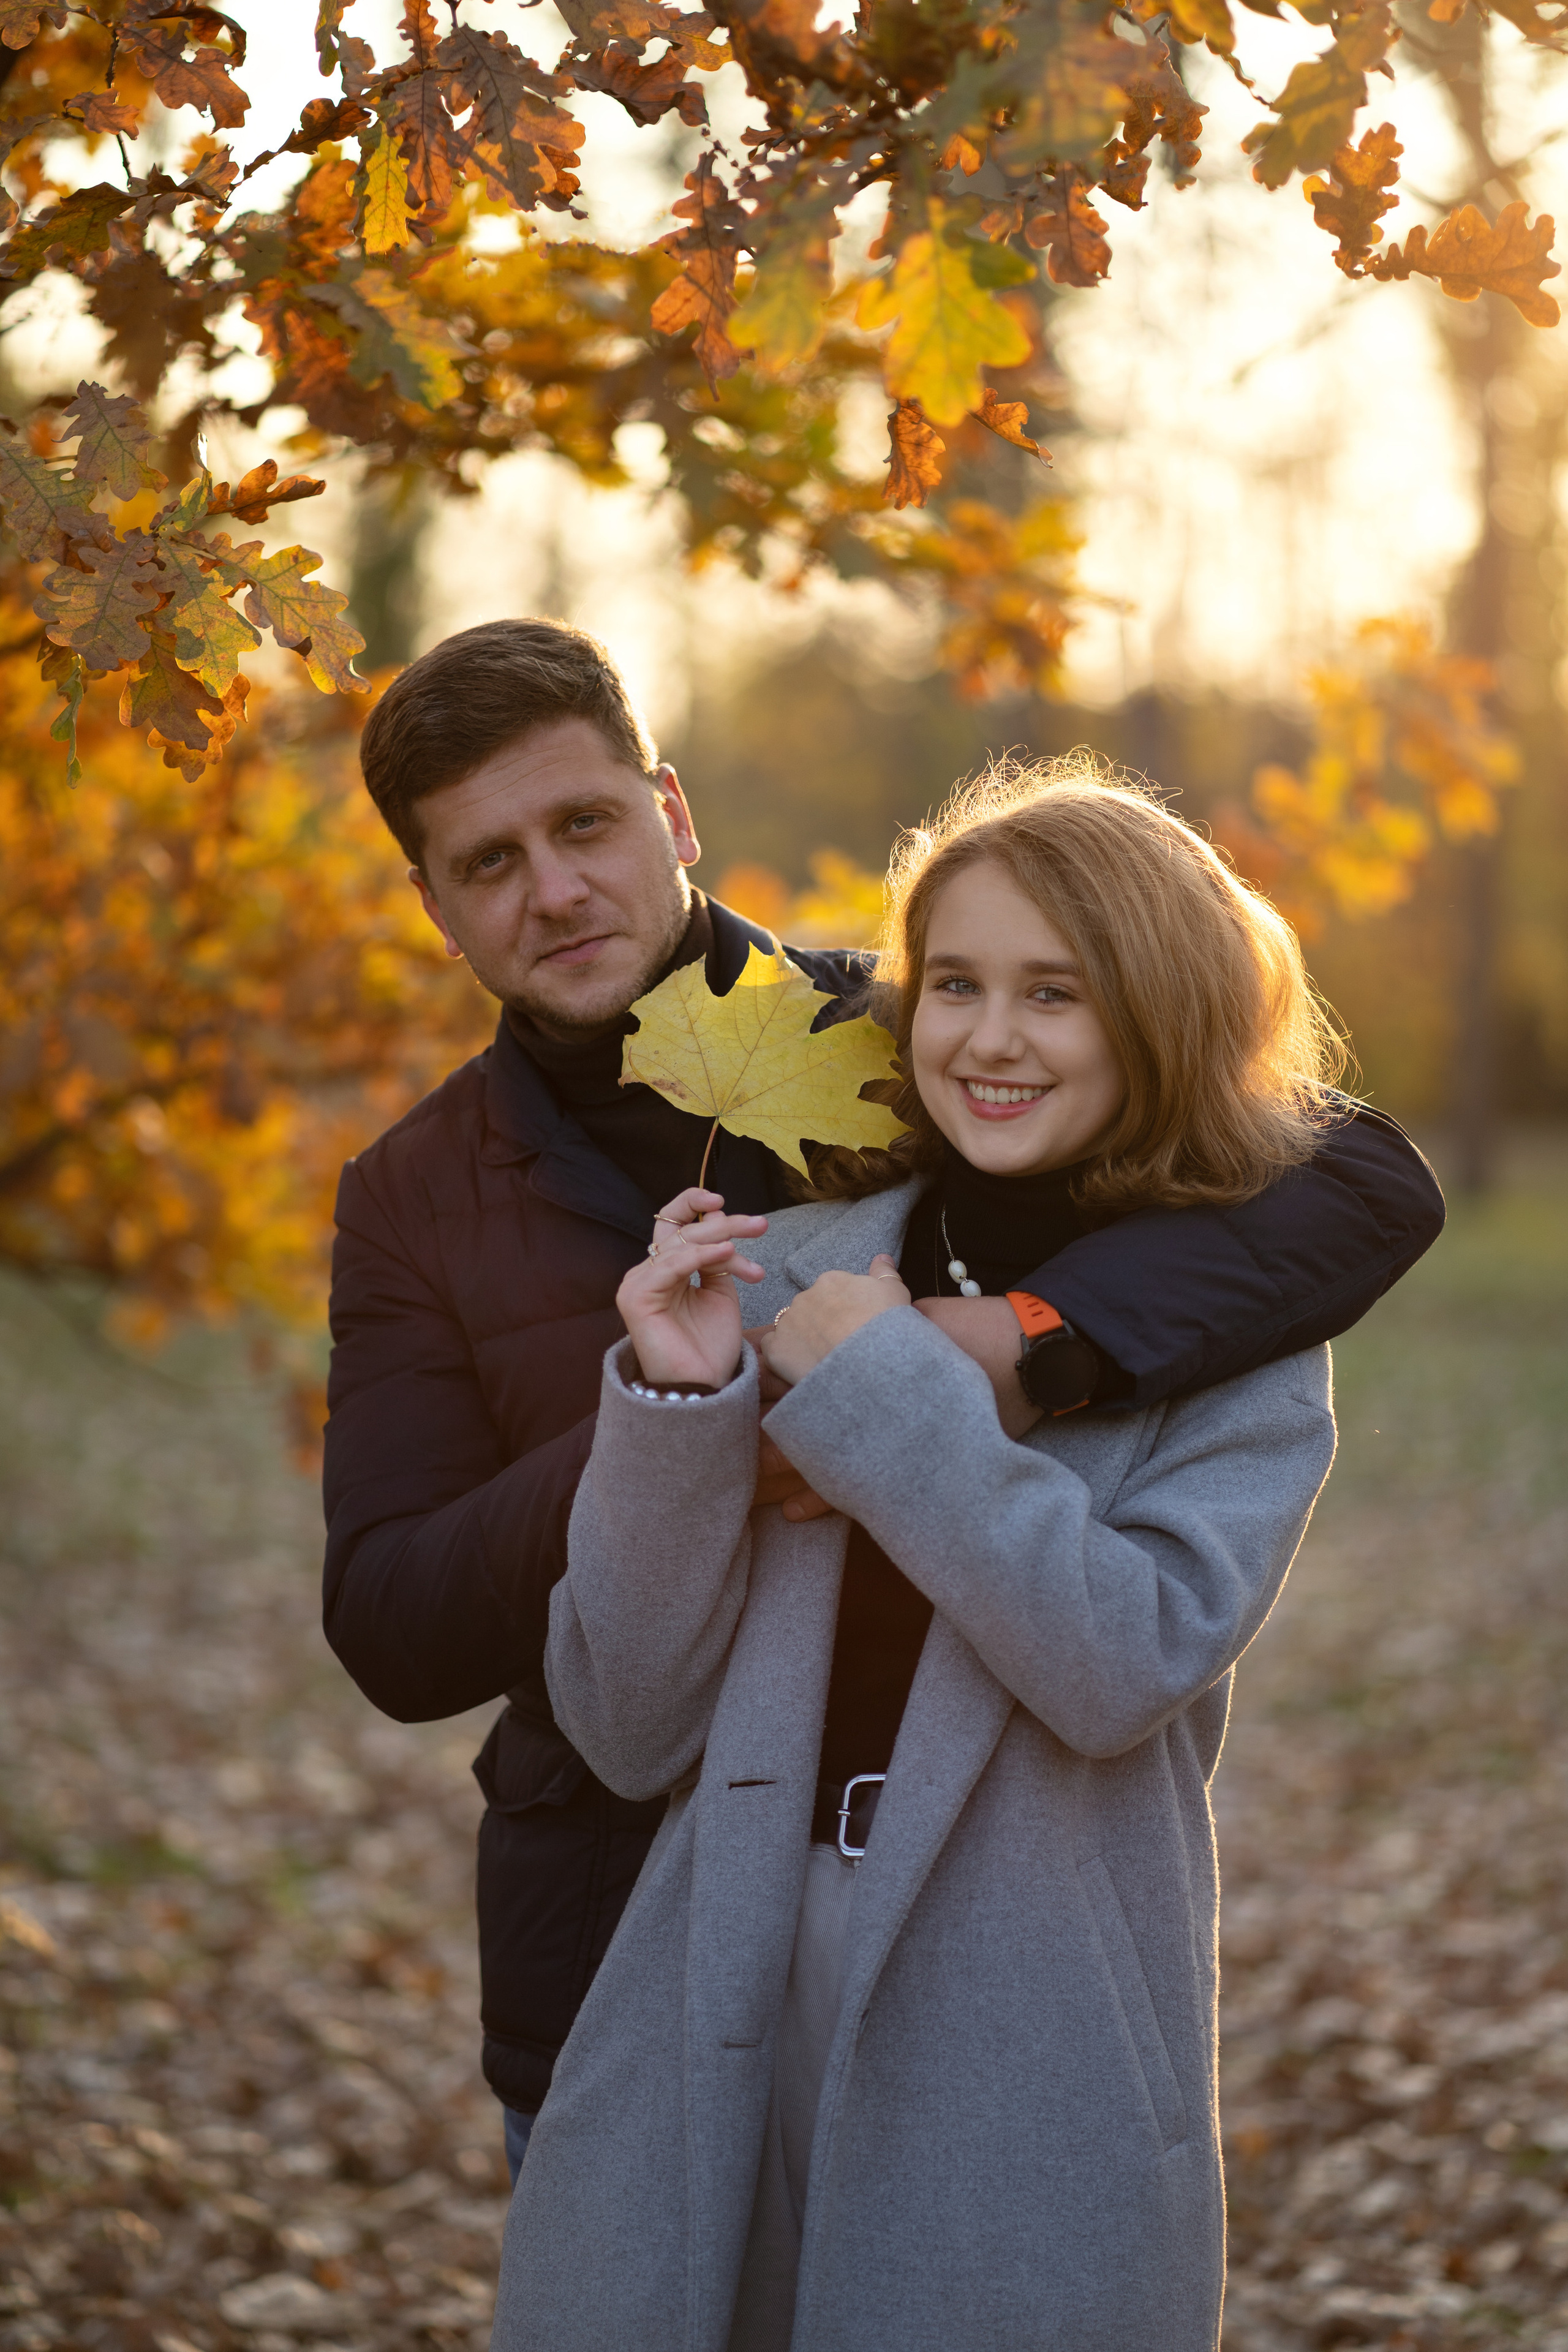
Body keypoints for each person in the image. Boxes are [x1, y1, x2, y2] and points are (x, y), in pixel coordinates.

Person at [321, 619, 1442, 2181]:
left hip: (950, 1912)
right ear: (434, 908)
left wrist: (1027, 1348)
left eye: (582, 824)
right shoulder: (412, 1198)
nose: (554, 889)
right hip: (606, 1903)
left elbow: (1361, 1181)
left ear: (672, 811)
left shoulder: (910, 1033)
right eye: (486, 862)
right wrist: (685, 1421)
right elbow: (390, 1620)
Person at [491, 767, 1345, 2351]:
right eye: (954, 982)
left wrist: (891, 1392)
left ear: (1153, 1019)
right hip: (722, 1981)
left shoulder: (1236, 1345)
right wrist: (679, 1406)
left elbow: (1121, 1663)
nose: (989, 1037)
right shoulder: (799, 1272)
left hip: (1026, 2020)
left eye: (1055, 993)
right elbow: (623, 1723)